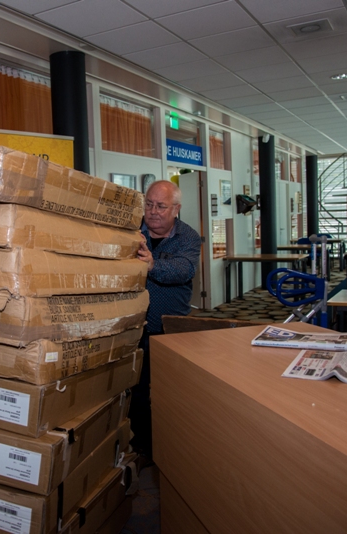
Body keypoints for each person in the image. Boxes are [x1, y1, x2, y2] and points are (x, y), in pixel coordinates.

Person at [129, 179, 201, 463]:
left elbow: (184, 269)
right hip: (134, 326)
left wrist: (153, 265)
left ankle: (172, 444)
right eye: (149, 204)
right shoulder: (131, 231)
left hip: (169, 327)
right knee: (136, 386)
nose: (153, 211)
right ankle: (143, 446)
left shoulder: (188, 236)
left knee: (168, 390)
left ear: (176, 209)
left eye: (161, 206)